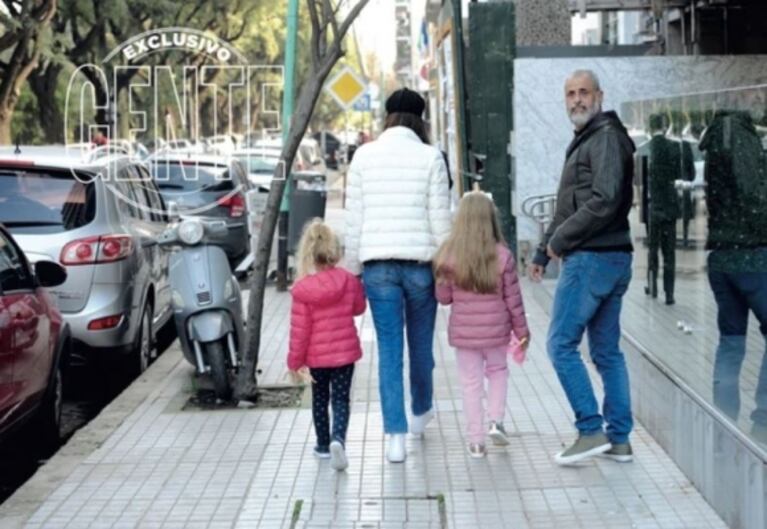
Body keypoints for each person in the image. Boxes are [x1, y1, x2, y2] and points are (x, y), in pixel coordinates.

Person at [528, 69, 636, 465]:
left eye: (583, 92)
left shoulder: (605, 138)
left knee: (560, 345)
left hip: (593, 259)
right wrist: (543, 251)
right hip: (606, 258)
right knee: (606, 351)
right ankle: (619, 440)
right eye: (570, 93)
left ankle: (591, 430)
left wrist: (559, 241)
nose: (576, 99)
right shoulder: (587, 140)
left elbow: (604, 200)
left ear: (599, 95)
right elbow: (567, 206)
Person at [344, 87, 452, 463]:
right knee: (421, 346)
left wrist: (352, 269)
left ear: (387, 117)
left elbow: (353, 217)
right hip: (421, 265)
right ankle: (421, 411)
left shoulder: (363, 156)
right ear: (421, 119)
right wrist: (446, 265)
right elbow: (441, 218)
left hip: (378, 267)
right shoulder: (431, 157)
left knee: (389, 350)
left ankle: (394, 436)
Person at [434, 192, 530, 458]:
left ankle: (476, 442)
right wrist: (522, 331)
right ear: (491, 220)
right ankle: (495, 421)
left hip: (464, 334)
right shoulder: (503, 256)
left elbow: (443, 298)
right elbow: (514, 300)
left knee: (470, 383)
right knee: (498, 371)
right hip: (497, 331)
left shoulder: (448, 256)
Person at [700, 95, 767, 441]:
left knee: (731, 341)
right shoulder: (737, 134)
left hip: (723, 256)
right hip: (750, 254)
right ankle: (763, 422)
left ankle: (724, 425)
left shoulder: (717, 135)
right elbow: (752, 195)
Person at [287, 219, 366, 471]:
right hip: (344, 355)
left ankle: (322, 445)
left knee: (320, 399)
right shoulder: (348, 281)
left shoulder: (302, 290)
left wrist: (294, 362)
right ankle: (338, 439)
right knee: (341, 399)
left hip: (316, 357)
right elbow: (359, 308)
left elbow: (299, 331)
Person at [645, 113, 682, 305]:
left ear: (651, 128)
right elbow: (679, 175)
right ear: (666, 127)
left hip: (654, 206)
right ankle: (670, 293)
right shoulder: (674, 147)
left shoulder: (646, 148)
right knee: (669, 252)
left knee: (653, 249)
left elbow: (641, 180)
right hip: (669, 205)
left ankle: (653, 286)